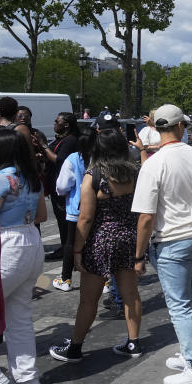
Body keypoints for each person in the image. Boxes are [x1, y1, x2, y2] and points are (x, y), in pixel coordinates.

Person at [131, 104, 192, 384]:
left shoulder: (153, 163)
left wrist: (138, 255)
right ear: (180, 127)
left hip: (171, 240)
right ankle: (188, 352)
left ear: (155, 128)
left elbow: (146, 217)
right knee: (186, 301)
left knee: (178, 306)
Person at [48, 128, 144, 363]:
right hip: (129, 238)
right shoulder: (136, 173)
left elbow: (86, 218)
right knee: (130, 295)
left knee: (88, 299)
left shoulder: (95, 175)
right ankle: (133, 343)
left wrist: (77, 250)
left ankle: (75, 347)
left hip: (100, 241)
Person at [0, 130, 47, 384]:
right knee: (20, 315)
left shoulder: (0, 179)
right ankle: (27, 376)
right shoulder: (31, 178)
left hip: (7, 244)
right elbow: (41, 216)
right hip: (30, 242)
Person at [51, 127, 95, 292]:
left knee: (70, 243)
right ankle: (103, 280)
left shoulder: (73, 158)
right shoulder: (100, 158)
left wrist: (65, 193)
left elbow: (62, 186)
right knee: (95, 242)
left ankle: (65, 279)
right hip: (97, 208)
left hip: (76, 208)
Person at [41, 113, 80, 260]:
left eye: (57, 121)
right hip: (55, 183)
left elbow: (59, 160)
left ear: (66, 125)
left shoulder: (70, 141)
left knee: (64, 218)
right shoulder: (61, 139)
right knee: (60, 217)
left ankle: (67, 248)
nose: (54, 123)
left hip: (64, 187)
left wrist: (44, 146)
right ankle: (65, 246)